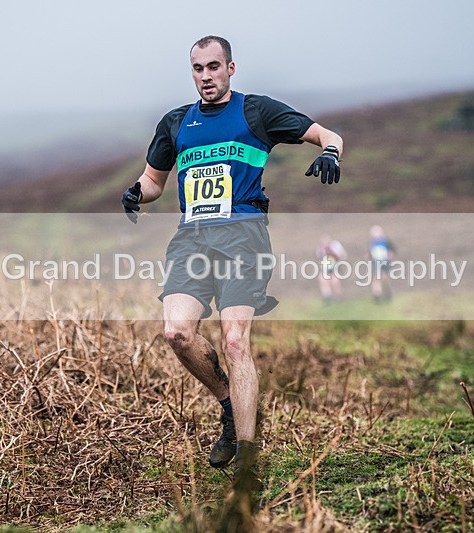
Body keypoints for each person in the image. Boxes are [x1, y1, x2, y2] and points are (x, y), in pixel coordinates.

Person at [120, 36, 343, 488]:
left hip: (245, 236)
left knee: (236, 341)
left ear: (231, 68)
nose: (206, 76)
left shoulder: (256, 112)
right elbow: (153, 181)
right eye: (198, 68)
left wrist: (330, 151)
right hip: (191, 239)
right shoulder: (177, 121)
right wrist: (134, 193)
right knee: (177, 333)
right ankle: (227, 401)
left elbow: (326, 133)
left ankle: (247, 462)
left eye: (214, 67)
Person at [315, 234, 347, 304]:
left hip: (334, 267)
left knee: (335, 282)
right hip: (325, 268)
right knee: (323, 281)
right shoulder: (321, 248)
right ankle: (327, 297)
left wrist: (338, 260)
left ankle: (337, 297)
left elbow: (343, 255)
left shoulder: (335, 246)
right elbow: (318, 257)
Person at [368, 225, 395, 302]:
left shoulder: (385, 241)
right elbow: (372, 252)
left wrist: (389, 255)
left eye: (376, 233)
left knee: (384, 278)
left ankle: (387, 293)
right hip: (376, 262)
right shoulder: (372, 242)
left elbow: (392, 250)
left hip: (384, 262)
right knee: (376, 278)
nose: (375, 235)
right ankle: (377, 295)